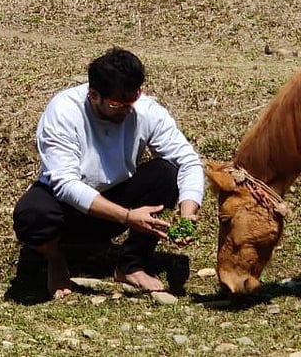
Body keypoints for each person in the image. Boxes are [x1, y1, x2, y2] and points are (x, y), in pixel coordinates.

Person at [13, 48, 204, 299]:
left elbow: (188, 161)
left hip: (116, 202)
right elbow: (65, 184)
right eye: (116, 104)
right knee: (31, 215)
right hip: (68, 211)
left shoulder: (145, 111)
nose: (126, 110)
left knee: (166, 173)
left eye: (131, 101)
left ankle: (131, 264)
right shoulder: (64, 111)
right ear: (93, 94)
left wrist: (187, 214)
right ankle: (55, 258)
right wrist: (127, 216)